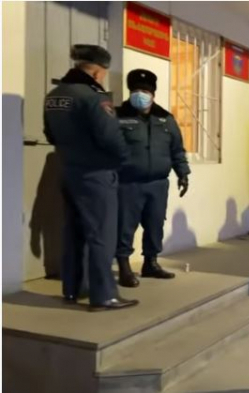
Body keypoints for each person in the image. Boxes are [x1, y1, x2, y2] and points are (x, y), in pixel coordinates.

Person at [43, 44, 138, 311]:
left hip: (69, 170)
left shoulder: (54, 95)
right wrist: (122, 161)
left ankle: (73, 289)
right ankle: (104, 295)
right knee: (101, 235)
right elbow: (110, 138)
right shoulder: (94, 97)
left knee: (74, 232)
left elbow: (50, 134)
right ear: (97, 71)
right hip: (96, 174)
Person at [114, 69, 191, 287]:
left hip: (158, 183)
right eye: (136, 90)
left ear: (153, 93)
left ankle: (151, 263)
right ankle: (124, 266)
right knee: (125, 226)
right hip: (127, 182)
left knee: (155, 224)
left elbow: (177, 150)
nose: (140, 94)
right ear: (130, 91)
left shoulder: (165, 119)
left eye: (145, 90)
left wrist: (183, 173)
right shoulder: (118, 116)